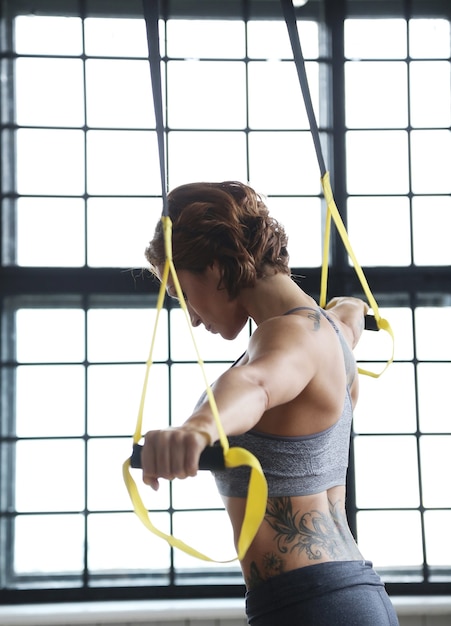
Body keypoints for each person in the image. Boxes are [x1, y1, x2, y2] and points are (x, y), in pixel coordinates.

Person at [140, 181, 399, 626]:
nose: (193, 318)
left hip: (315, 607)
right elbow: (347, 314)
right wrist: (351, 307)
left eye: (184, 296)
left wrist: (199, 428)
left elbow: (258, 385)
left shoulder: (290, 336)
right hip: (333, 598)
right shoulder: (328, 330)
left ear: (217, 268)